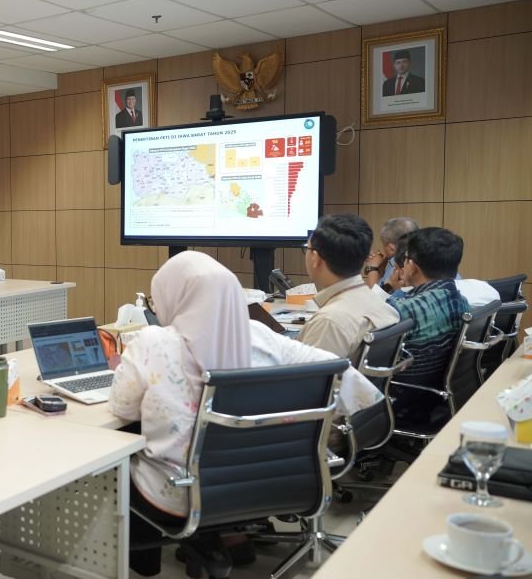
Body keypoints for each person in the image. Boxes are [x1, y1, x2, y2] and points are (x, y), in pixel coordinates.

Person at [109, 252, 382, 576]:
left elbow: (121, 409)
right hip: (266, 483)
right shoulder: (261, 337)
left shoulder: (152, 342)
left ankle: (141, 562)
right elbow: (337, 371)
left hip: (177, 495)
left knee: (116, 453)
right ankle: (229, 536)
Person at [384, 228, 470, 424]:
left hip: (399, 396)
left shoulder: (403, 310)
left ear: (412, 266)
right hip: (431, 395)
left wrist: (387, 288)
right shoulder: (461, 301)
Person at [298, 214, 399, 360]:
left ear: (315, 258)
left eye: (307, 248)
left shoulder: (329, 322)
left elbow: (308, 381)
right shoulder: (381, 304)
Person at [363, 216, 418, 290]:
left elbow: (374, 300)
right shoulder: (419, 260)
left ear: (391, 248)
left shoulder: (398, 265)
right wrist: (381, 271)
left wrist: (372, 268)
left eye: (383, 244)